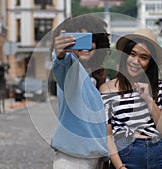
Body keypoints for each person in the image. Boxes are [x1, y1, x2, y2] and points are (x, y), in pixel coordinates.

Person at [100, 29, 162, 169]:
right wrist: (119, 166)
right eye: (132, 54)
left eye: (143, 57)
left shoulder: (159, 87)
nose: (136, 61)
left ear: (150, 63)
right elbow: (107, 135)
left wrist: (148, 99)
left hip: (159, 152)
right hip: (126, 154)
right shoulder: (107, 89)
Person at [50, 14, 110, 169]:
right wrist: (60, 52)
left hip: (95, 160)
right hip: (74, 161)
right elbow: (61, 62)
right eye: (77, 39)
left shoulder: (94, 79)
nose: (85, 45)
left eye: (90, 38)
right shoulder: (70, 68)